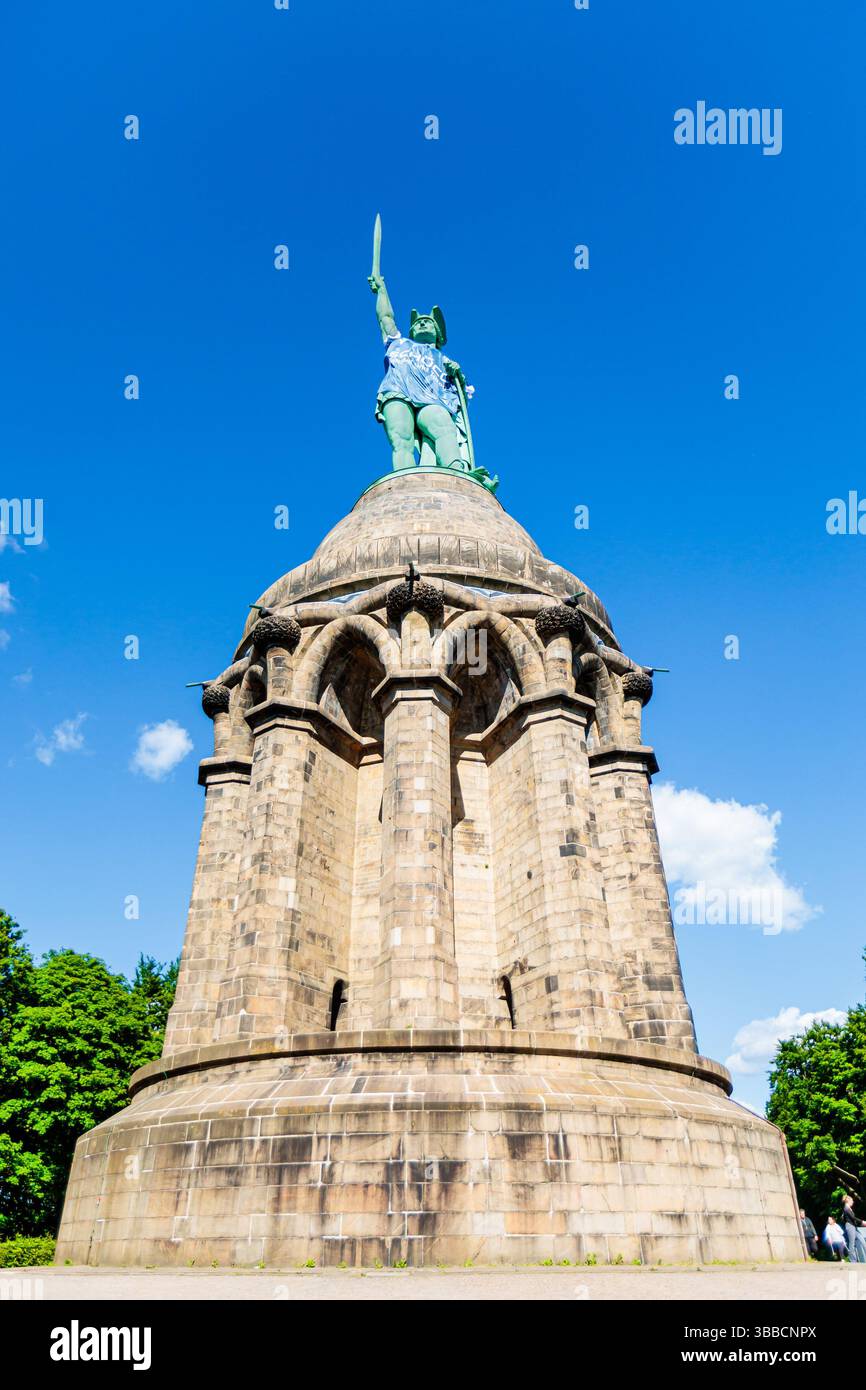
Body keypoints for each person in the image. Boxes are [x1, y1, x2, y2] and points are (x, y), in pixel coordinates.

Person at [841, 1194, 866, 1262]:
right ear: (848, 1200)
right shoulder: (846, 1208)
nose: (853, 1201)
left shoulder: (848, 1208)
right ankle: (853, 1260)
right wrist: (862, 1222)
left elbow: (851, 1219)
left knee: (862, 1241)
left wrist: (861, 1223)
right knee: (852, 1244)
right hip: (850, 1227)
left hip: (853, 1227)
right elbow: (853, 1218)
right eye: (852, 1200)